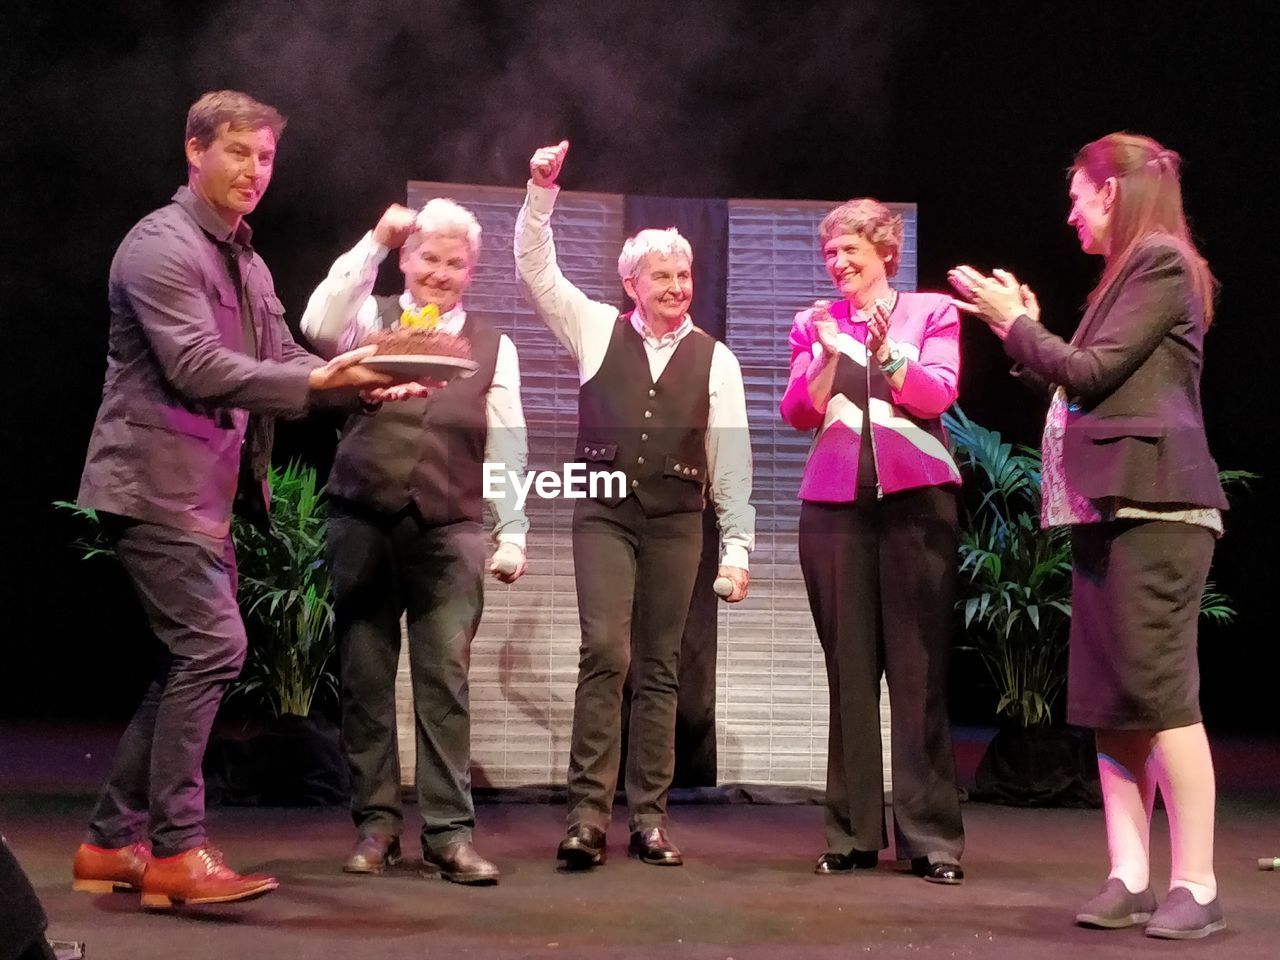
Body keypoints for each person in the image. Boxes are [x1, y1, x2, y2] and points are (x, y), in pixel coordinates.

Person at [72, 90, 396, 909]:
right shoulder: (159, 246)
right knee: (212, 649)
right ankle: (177, 850)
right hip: (152, 485)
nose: (255, 171)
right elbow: (198, 367)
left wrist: (363, 382)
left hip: (205, 494)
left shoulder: (246, 259)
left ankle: (111, 842)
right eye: (239, 153)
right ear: (194, 150)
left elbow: (281, 354)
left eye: (266, 158)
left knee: (192, 657)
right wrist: (320, 378)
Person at [951, 132, 1227, 939]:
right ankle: (1129, 875)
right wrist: (1030, 332)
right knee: (1113, 702)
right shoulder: (1126, 275)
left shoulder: (1162, 263)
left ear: (1112, 191)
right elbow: (1086, 380)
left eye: (1078, 196)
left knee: (1162, 695)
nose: (1070, 212)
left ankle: (1199, 883)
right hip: (1105, 508)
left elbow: (1093, 374)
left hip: (1157, 508)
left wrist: (1013, 327)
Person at [515, 141, 754, 869]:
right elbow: (534, 269)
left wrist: (737, 547)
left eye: (685, 274)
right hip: (605, 509)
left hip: (679, 518)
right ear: (632, 282)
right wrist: (540, 191)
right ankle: (588, 815)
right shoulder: (593, 327)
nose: (678, 285)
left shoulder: (716, 358)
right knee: (605, 654)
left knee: (659, 665)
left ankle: (648, 817)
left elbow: (732, 461)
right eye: (663, 274)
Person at [299, 198, 529, 885]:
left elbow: (508, 445)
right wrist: (372, 242)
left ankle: (449, 834)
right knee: (366, 679)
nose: (441, 272)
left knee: (445, 683)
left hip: (450, 526)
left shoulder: (494, 344)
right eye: (429, 257)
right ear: (408, 259)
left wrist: (510, 529)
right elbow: (316, 325)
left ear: (472, 271)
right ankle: (374, 827)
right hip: (363, 515)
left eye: (456, 263)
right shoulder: (373, 318)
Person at [780, 199, 967, 884]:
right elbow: (798, 411)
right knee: (849, 676)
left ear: (885, 250)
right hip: (834, 509)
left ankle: (932, 841)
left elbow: (936, 395)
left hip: (918, 508)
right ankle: (851, 833)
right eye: (830, 253)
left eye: (851, 249)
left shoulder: (931, 312)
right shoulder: (813, 324)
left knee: (918, 678)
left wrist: (887, 351)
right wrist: (827, 357)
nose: (839, 263)